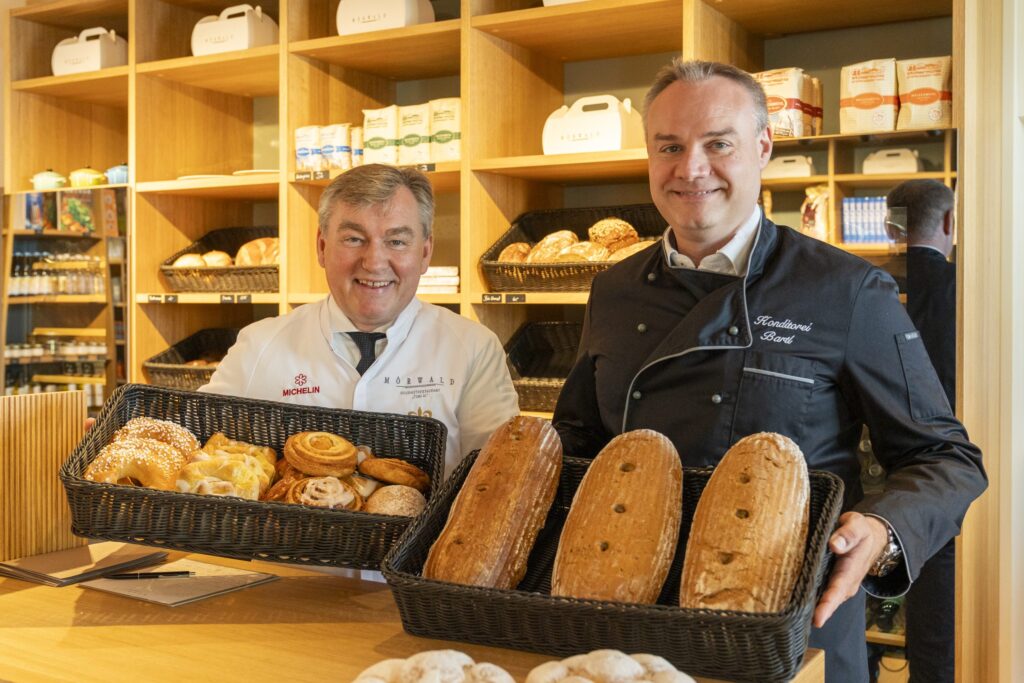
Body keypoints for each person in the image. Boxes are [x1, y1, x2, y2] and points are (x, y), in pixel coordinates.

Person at [552, 59, 986, 682]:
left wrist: (882, 529)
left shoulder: (846, 290)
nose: (690, 168)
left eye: (718, 144)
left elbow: (946, 458)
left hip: (790, 622)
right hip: (633, 613)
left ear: (762, 147)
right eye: (669, 147)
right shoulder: (614, 289)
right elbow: (579, 436)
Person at [202, 164, 519, 479]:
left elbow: (498, 480)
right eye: (354, 239)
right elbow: (201, 454)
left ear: (425, 252)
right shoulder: (258, 346)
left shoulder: (474, 349)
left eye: (396, 241)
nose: (374, 262)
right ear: (322, 247)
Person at [886, 179, 958, 683]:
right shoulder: (968, 289)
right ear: (951, 223)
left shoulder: (868, 284)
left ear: (887, 226)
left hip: (881, 457)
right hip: (954, 458)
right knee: (942, 569)